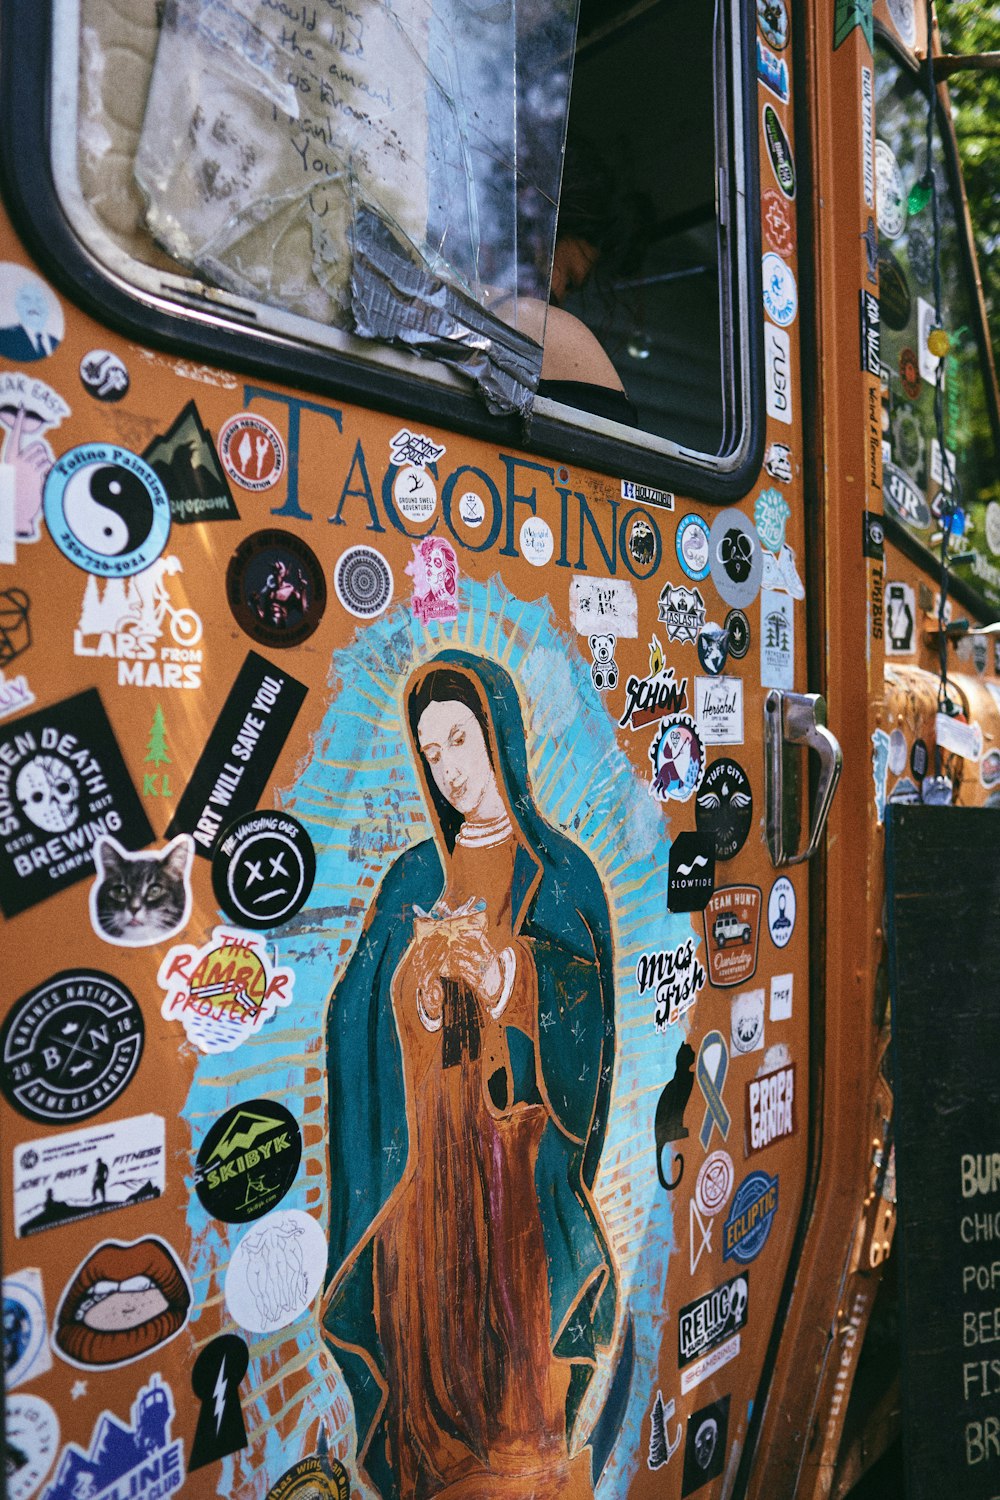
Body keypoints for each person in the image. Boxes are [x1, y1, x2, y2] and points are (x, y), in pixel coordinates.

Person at [322, 651, 618, 1500]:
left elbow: (586, 1011)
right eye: (432, 750)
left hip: (516, 1163)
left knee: (520, 1364)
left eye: (460, 738)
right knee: (432, 1338)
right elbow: (354, 1014)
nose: (449, 766)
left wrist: (510, 978)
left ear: (499, 739)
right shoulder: (416, 874)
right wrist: (414, 985)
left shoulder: (558, 874)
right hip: (431, 1162)